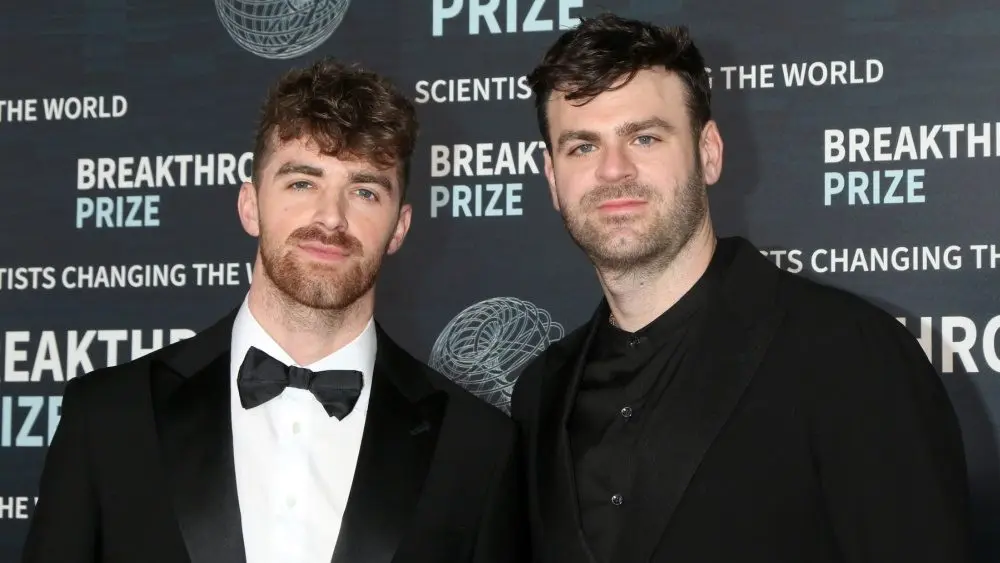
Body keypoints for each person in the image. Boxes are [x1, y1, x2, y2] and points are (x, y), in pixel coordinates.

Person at [510, 12, 974, 563]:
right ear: (551, 178)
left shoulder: (849, 353)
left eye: (645, 137)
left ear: (709, 152)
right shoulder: (539, 392)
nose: (614, 170)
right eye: (582, 146)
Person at [23, 58, 526, 563]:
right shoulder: (110, 416)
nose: (331, 217)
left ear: (399, 227)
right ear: (250, 205)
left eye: (365, 191)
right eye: (302, 183)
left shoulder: (475, 447)